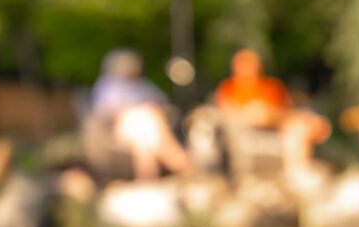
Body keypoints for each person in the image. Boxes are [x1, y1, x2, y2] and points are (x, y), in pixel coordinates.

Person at [214, 48, 331, 178]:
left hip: (278, 123)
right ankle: (297, 172)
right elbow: (225, 113)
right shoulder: (228, 88)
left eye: (251, 63)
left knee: (299, 129)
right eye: (243, 63)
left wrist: (269, 113)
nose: (248, 68)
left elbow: (287, 109)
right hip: (250, 125)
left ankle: (298, 172)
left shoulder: (272, 86)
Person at [87, 49, 189, 181]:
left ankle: (149, 178)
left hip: (148, 126)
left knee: (145, 137)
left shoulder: (141, 84)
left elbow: (162, 102)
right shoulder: (108, 85)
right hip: (123, 127)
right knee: (146, 126)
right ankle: (180, 162)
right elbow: (105, 111)